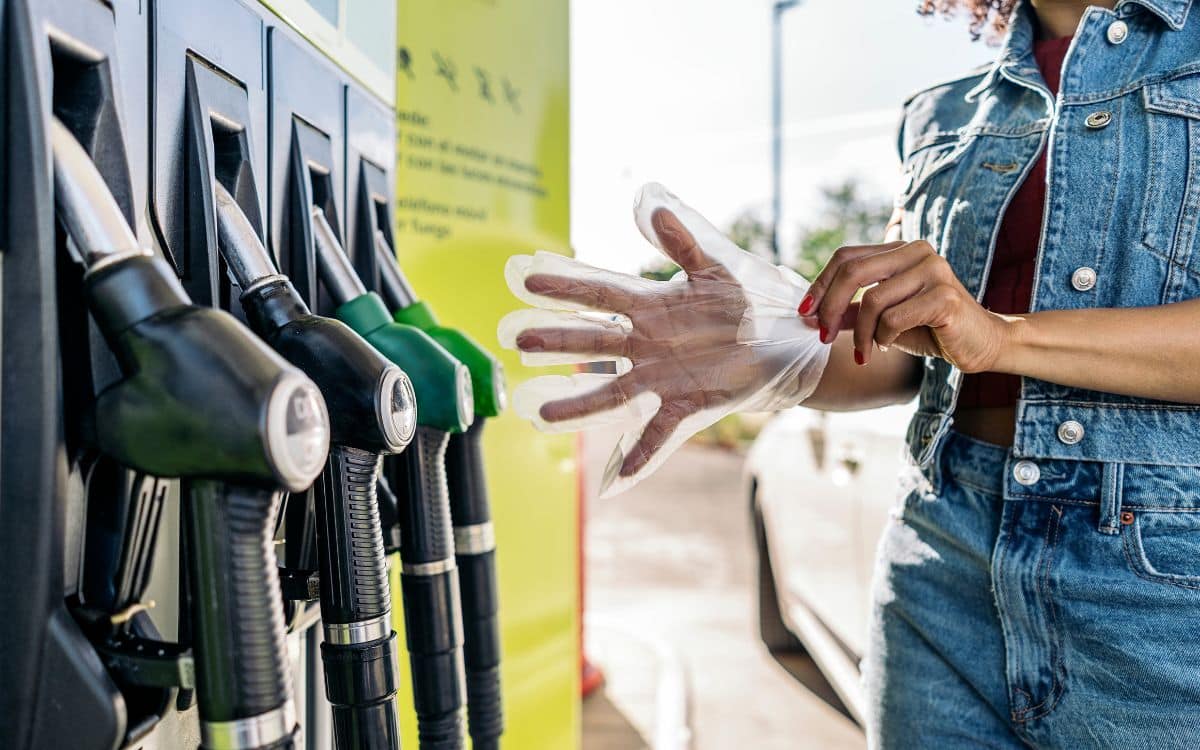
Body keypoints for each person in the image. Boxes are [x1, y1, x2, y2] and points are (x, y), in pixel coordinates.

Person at [513, 0, 1200, 745]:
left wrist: (1002, 338)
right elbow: (904, 354)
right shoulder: (943, 115)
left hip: (1162, 592)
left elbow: (977, 338)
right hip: (941, 562)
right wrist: (767, 354)